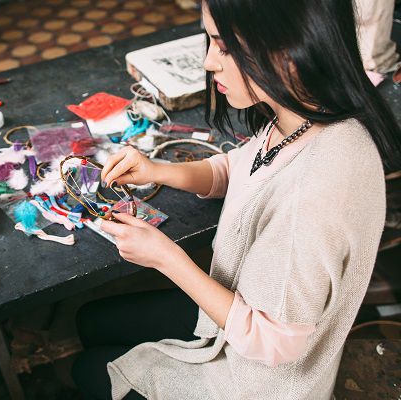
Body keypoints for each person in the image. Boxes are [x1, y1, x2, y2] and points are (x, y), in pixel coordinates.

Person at [71, 0, 401, 399]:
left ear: (289, 49)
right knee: (91, 322)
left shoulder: (312, 196)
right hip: (245, 315)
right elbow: (240, 167)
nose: (209, 62)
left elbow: (275, 343)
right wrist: (158, 170)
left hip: (262, 382)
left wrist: (165, 257)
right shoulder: (310, 115)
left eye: (224, 46)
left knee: (87, 369)